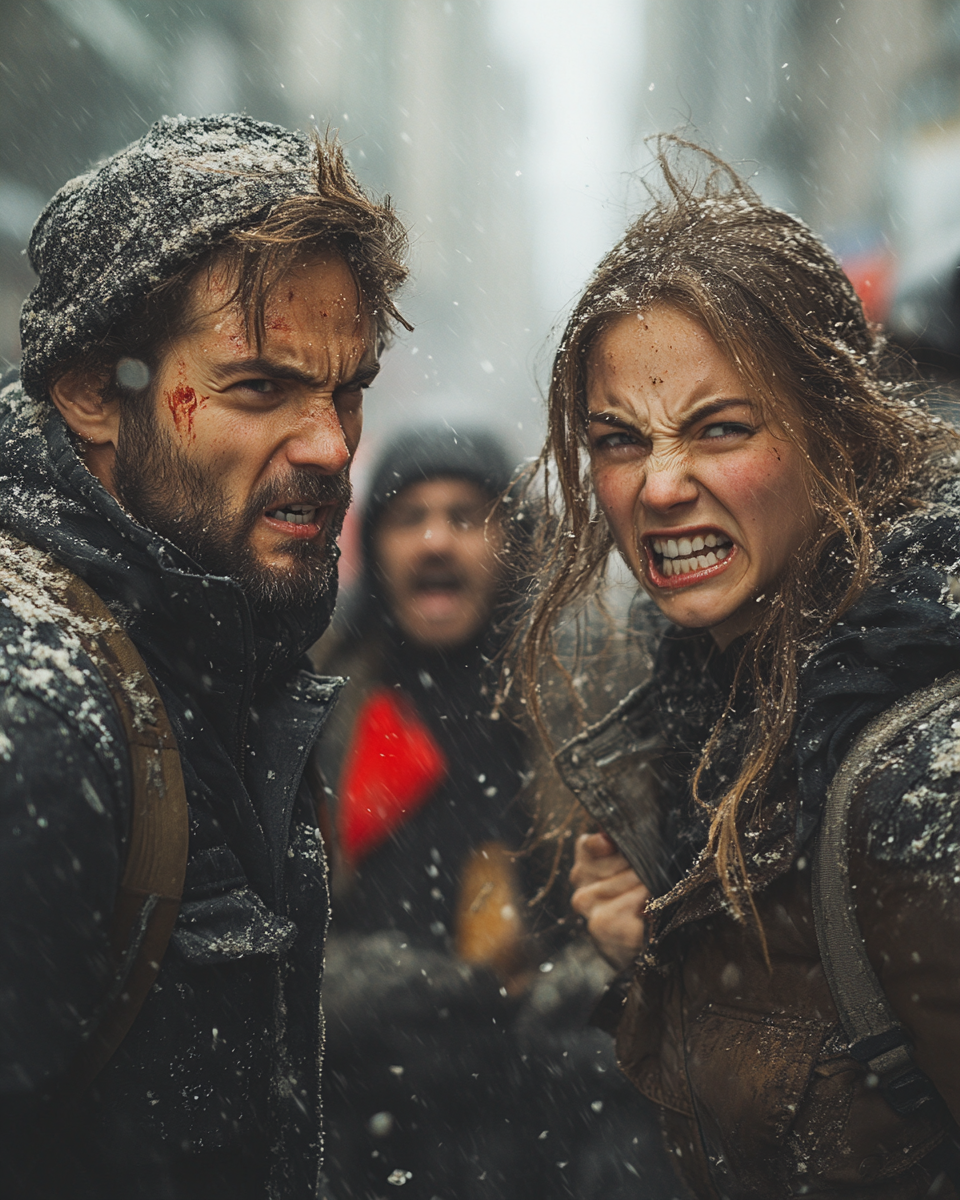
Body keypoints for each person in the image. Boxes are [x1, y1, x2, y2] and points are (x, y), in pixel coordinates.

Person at [515, 139, 960, 1199]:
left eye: (719, 429)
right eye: (618, 439)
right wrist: (661, 960)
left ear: (835, 435)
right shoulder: (711, 712)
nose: (658, 486)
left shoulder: (917, 775)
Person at [0, 114, 408, 1199]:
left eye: (349, 388)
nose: (330, 445)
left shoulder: (216, 643)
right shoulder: (33, 718)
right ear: (92, 389)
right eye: (261, 388)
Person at [313, 425, 679, 1200]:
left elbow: (643, 918)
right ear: (372, 547)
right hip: (368, 1122)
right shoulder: (319, 709)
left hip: (550, 1129)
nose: (435, 541)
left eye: (466, 516)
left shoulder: (588, 702)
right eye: (408, 518)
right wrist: (379, 987)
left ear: (517, 541)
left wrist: (549, 998)